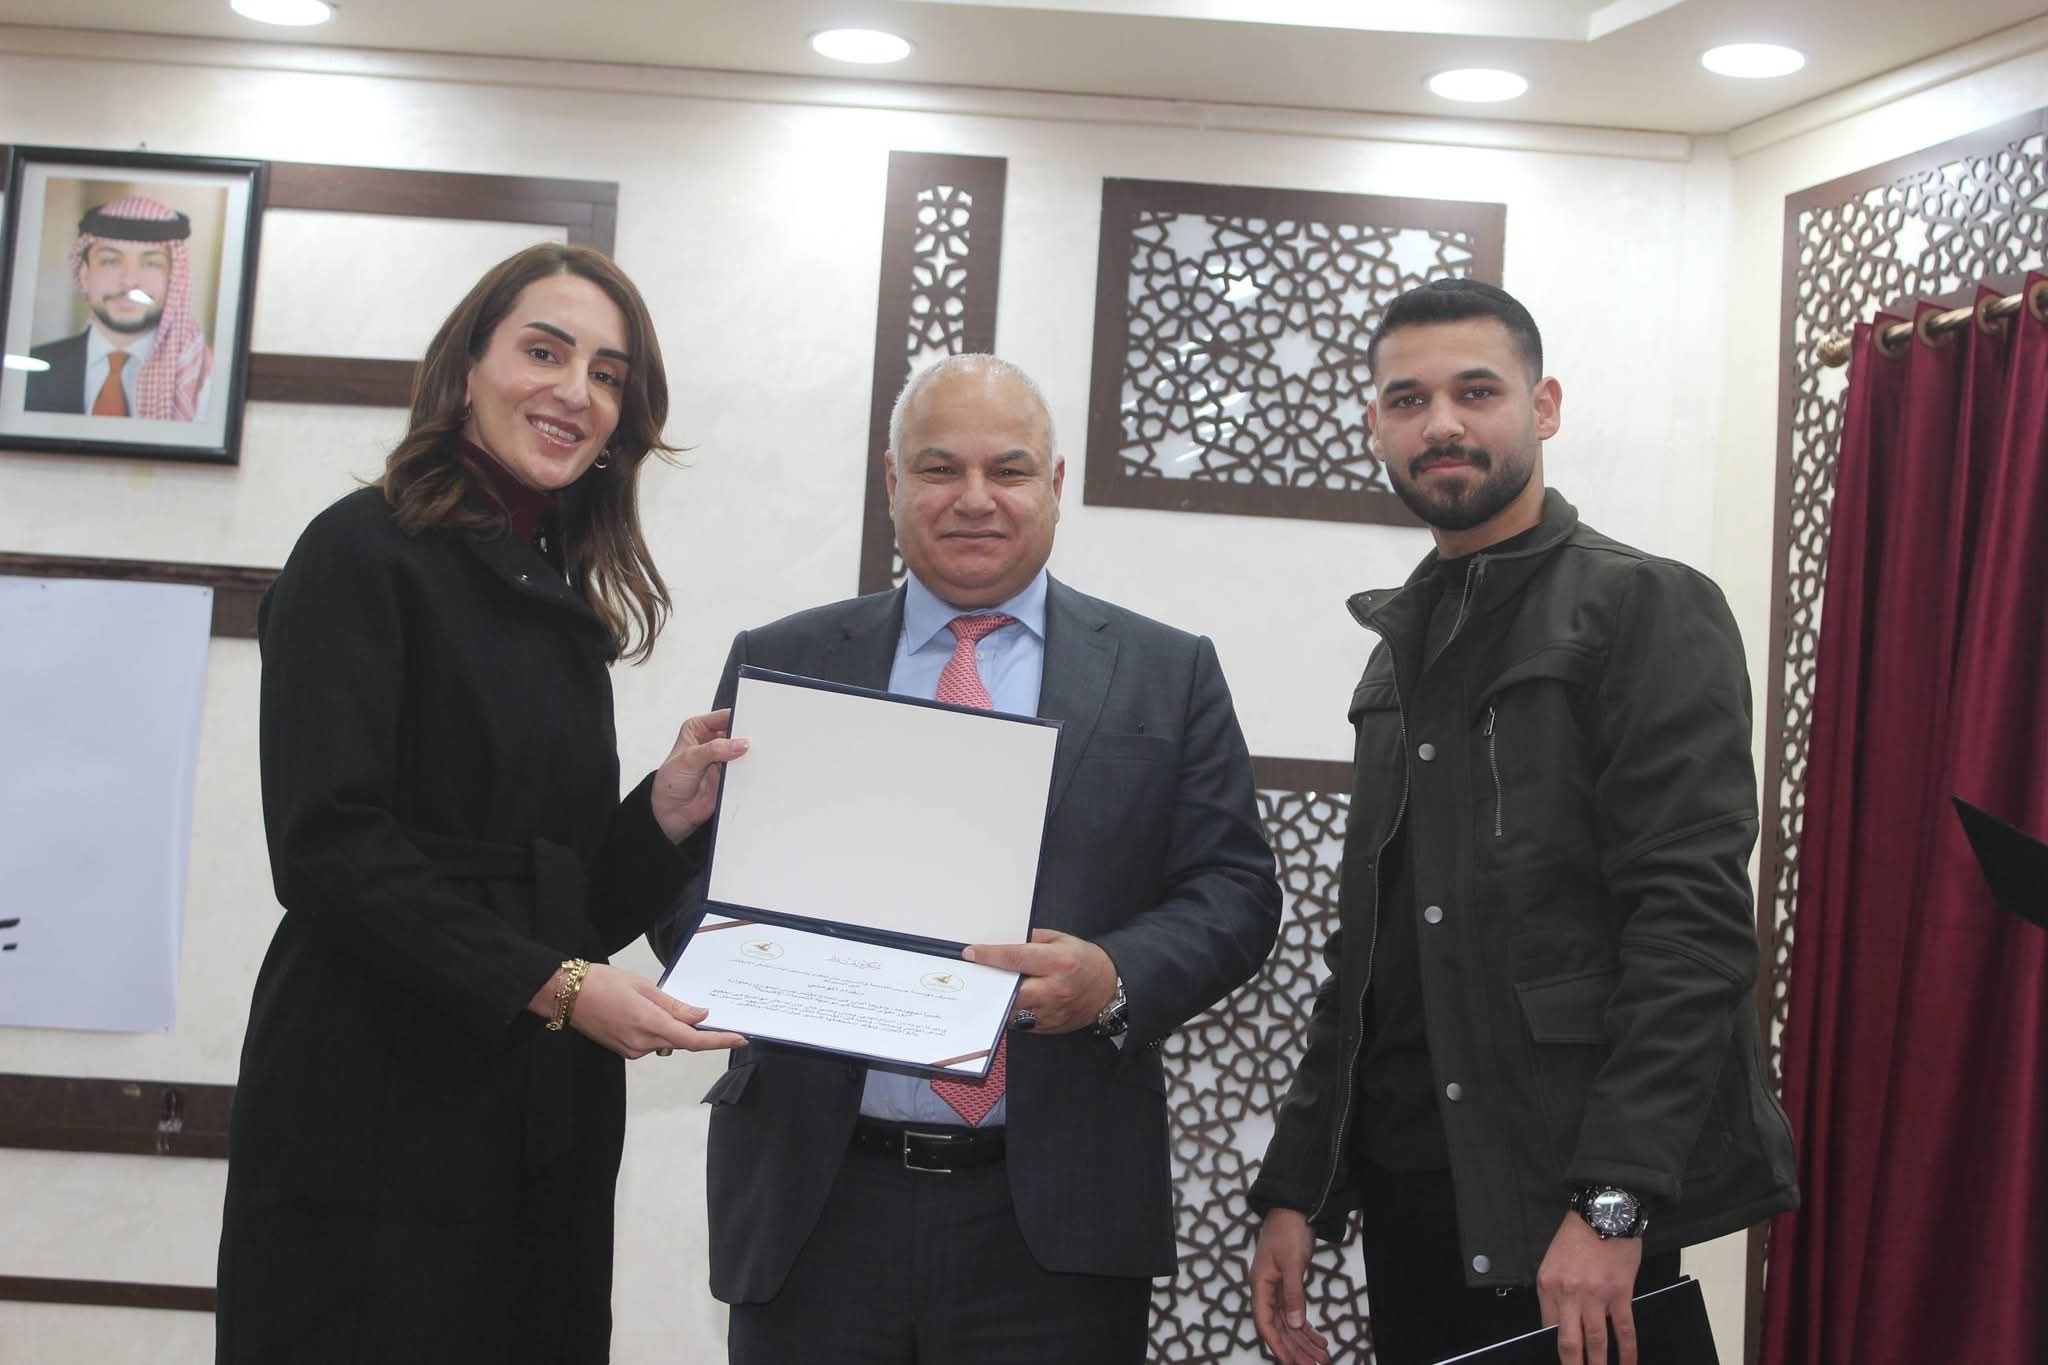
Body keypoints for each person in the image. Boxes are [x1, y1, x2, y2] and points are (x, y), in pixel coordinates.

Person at [659, 354, 1282, 1365]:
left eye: (1010, 469)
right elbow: (690, 893)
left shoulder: (1166, 672)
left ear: (1056, 484)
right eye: (940, 468)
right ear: (892, 481)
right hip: (817, 1207)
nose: (975, 499)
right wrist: (755, 961)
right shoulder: (786, 661)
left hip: (1056, 1219)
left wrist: (1113, 975)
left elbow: (1236, 893)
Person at [1246, 280, 1798, 1365]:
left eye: (1476, 391)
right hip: (1415, 1197)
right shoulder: (1396, 651)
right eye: (1407, 400)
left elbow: (1689, 932)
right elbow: (1370, 957)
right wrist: (1298, 1185)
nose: (1440, 424)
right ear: (1375, 426)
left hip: (1571, 1210)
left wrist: (1613, 1201)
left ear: (1542, 408)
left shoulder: (1642, 606)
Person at [215, 242, 746, 1364]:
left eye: (607, 374)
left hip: (529, 1106)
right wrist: (560, 989)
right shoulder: (361, 550)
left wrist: (661, 814)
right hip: (374, 1095)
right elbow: (327, 849)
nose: (575, 391)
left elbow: (555, 899)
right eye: (544, 352)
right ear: (466, 368)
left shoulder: (551, 589)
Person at [26, 195, 213, 419]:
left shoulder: (205, 379)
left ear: (174, 280)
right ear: (85, 276)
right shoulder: (30, 370)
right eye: (110, 261)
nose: (129, 281)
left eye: (151, 263)